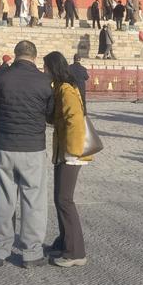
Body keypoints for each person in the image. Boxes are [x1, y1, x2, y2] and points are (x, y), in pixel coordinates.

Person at [0, 40, 54, 268]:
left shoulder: (3, 76)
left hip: (5, 144)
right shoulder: (45, 81)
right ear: (35, 57)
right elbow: (51, 114)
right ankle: (31, 253)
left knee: (4, 197)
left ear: (15, 55)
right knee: (33, 200)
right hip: (33, 147)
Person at [42, 51, 91, 267]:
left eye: (46, 67)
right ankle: (64, 242)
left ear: (53, 68)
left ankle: (75, 252)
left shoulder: (66, 89)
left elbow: (75, 120)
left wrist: (71, 152)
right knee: (59, 198)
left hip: (71, 153)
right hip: (64, 151)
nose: (44, 71)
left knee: (64, 200)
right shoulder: (61, 87)